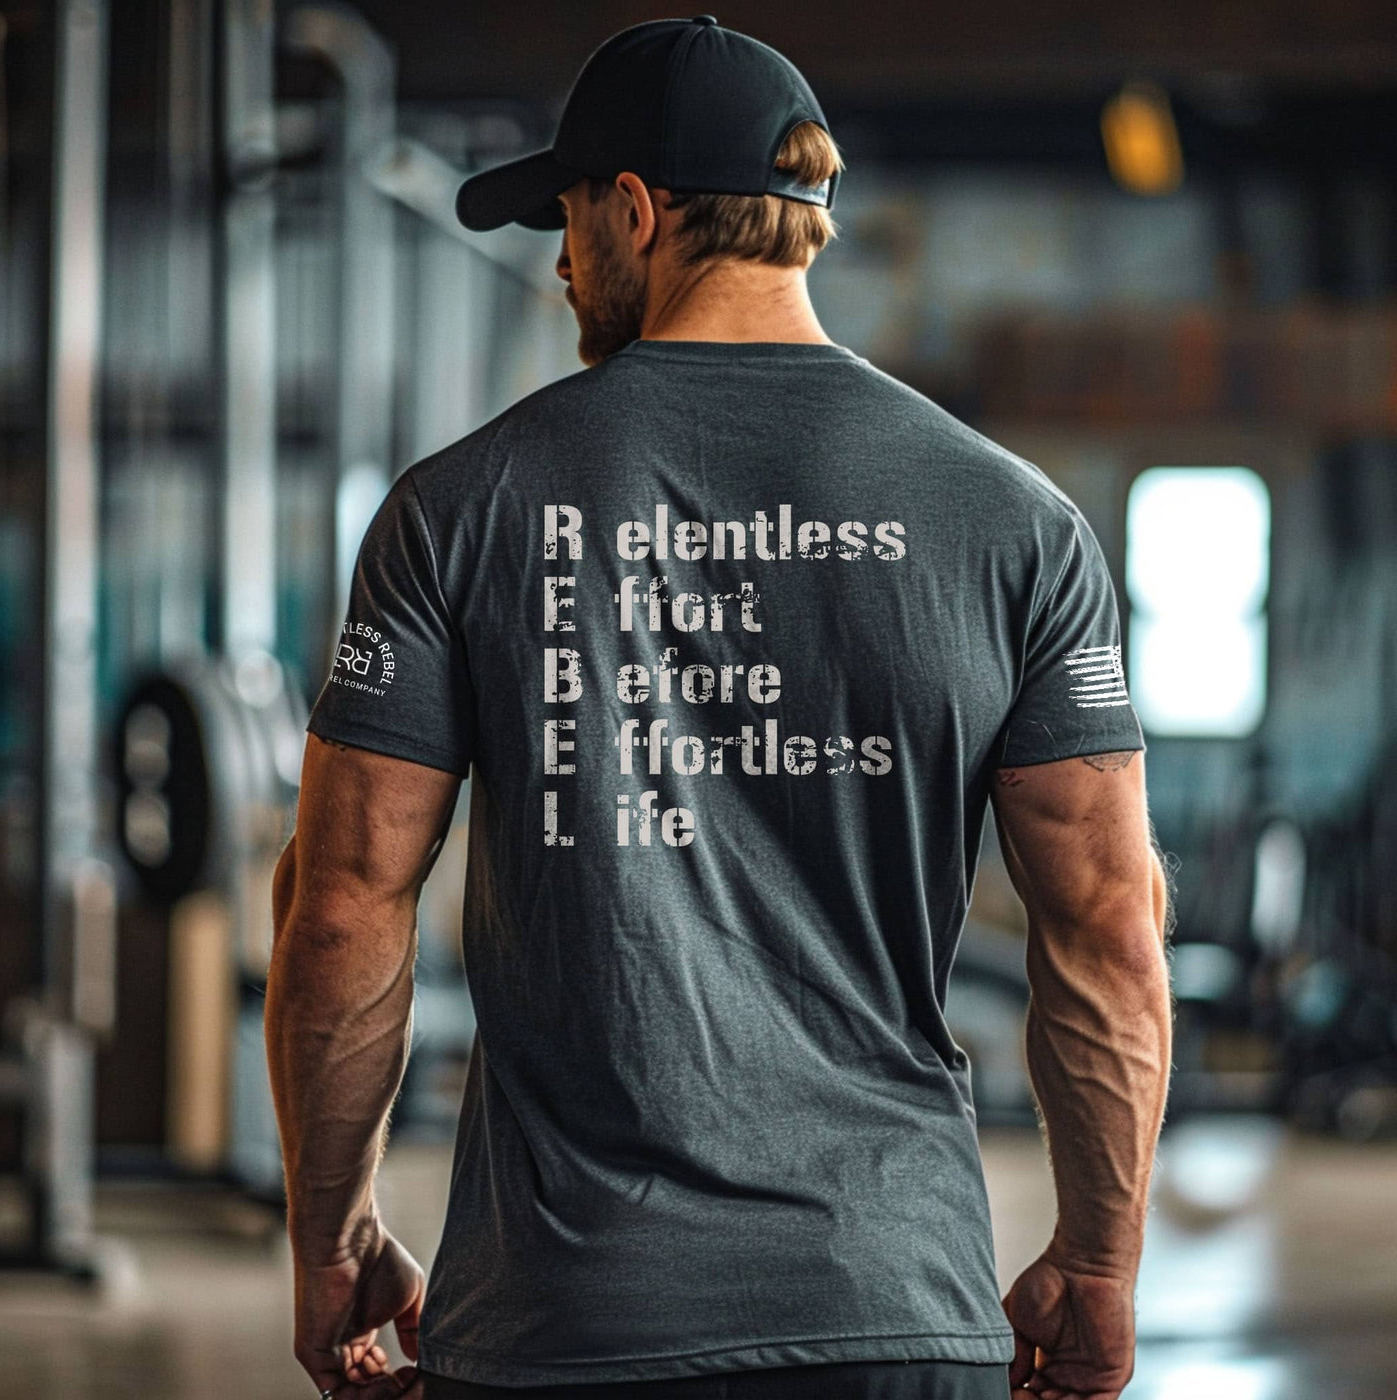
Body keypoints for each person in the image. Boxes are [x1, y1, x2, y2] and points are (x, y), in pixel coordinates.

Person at [265, 15, 1174, 1400]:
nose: (564, 266)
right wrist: (1101, 1264)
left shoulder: (459, 509)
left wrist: (332, 1239)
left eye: (568, 222)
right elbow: (1110, 924)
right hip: (890, 1312)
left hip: (567, 1328)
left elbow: (340, 908)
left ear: (635, 209)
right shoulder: (1019, 526)